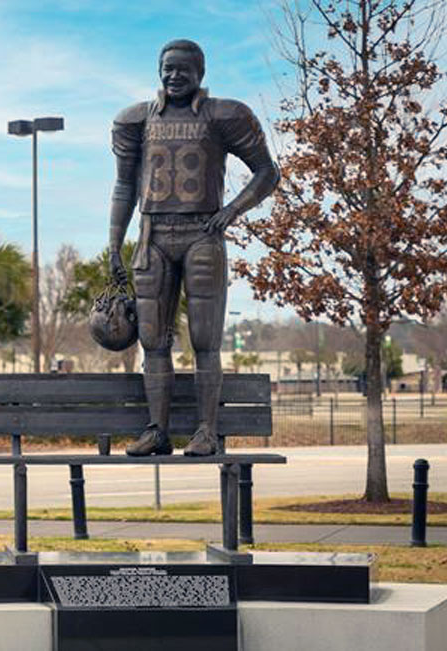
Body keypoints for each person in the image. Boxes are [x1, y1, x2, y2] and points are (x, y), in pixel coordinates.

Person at [108, 39, 279, 456]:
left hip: (201, 233)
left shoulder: (225, 115)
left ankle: (205, 429)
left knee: (205, 339)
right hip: (154, 235)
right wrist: (114, 242)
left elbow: (267, 172)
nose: (174, 75)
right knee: (153, 340)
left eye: (183, 68)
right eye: (167, 67)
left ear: (201, 72)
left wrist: (231, 211)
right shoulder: (136, 119)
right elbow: (125, 185)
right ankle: (157, 430)